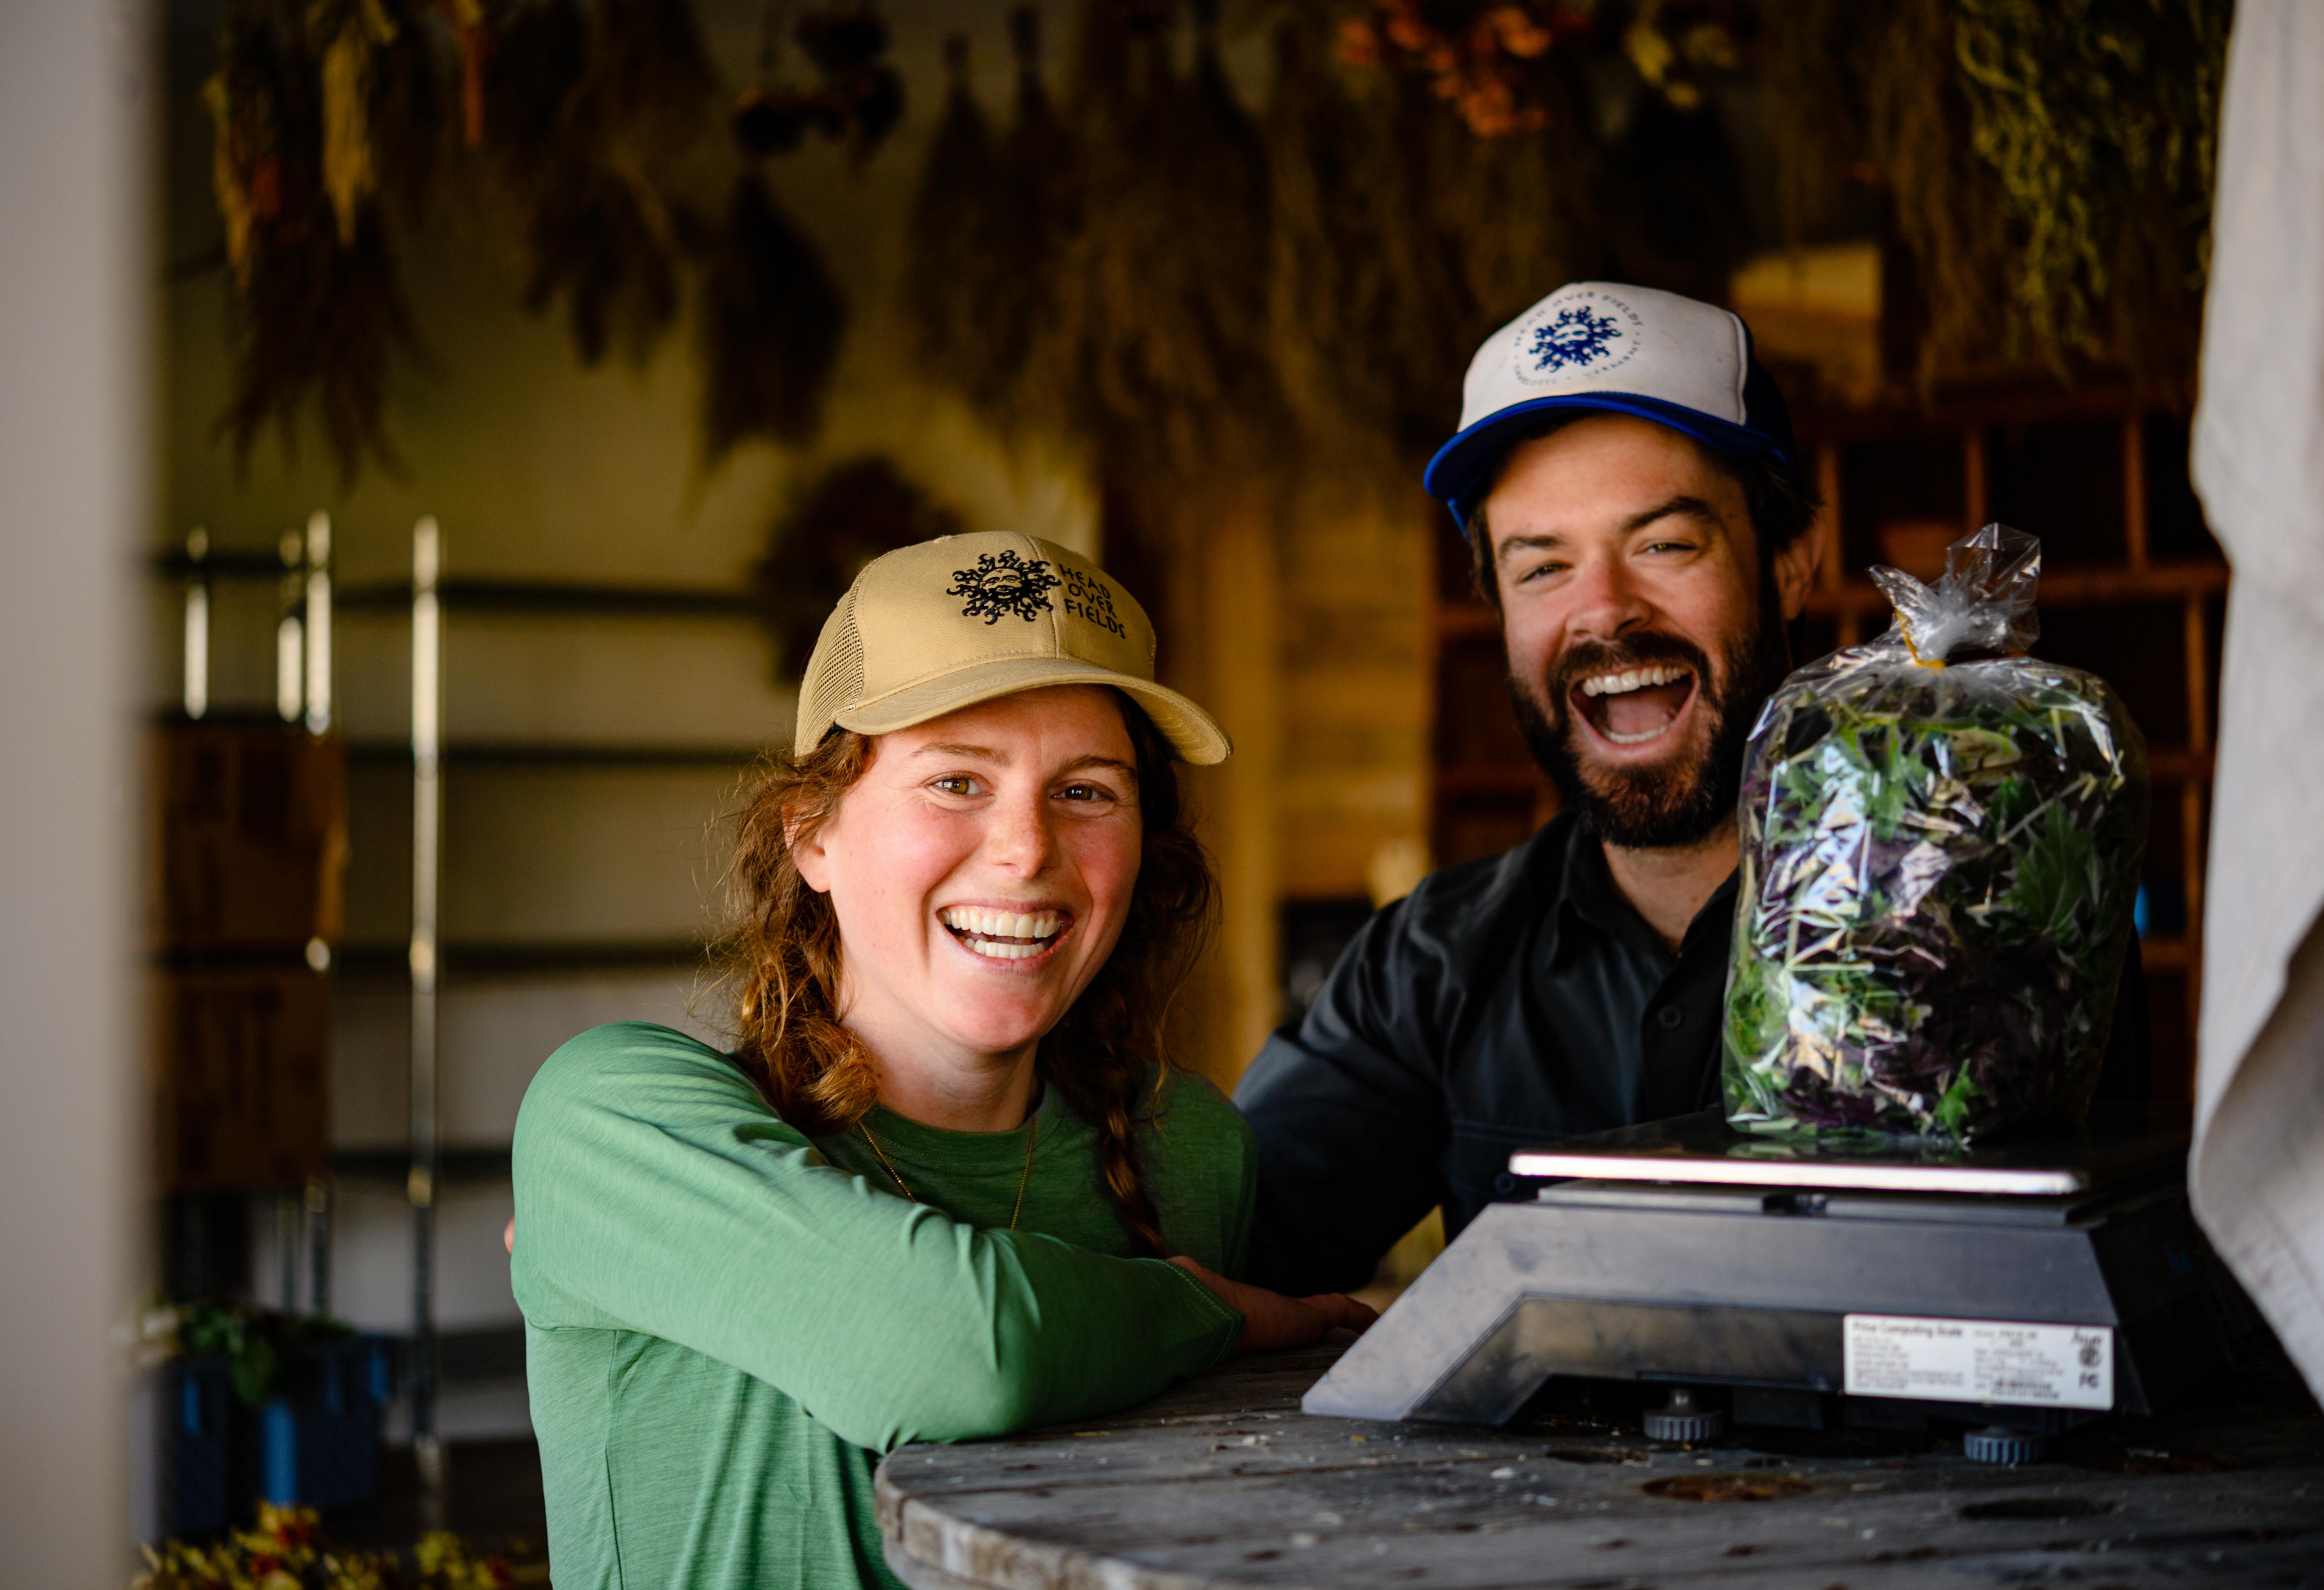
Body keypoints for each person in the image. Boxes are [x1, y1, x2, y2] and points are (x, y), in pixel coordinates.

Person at [1234, 281, 2152, 1293]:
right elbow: (1212, 1251)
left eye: (1664, 544)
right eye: (1540, 568)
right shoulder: (1431, 965)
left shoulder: (1972, 903)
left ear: (1790, 563)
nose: (1604, 615)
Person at [508, 531, 1374, 1590]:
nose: (1025, 849)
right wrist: (1212, 1307)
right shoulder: (612, 1120)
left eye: (1088, 790)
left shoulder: (1188, 1147)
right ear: (810, 835)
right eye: (958, 780)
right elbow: (958, 1353)